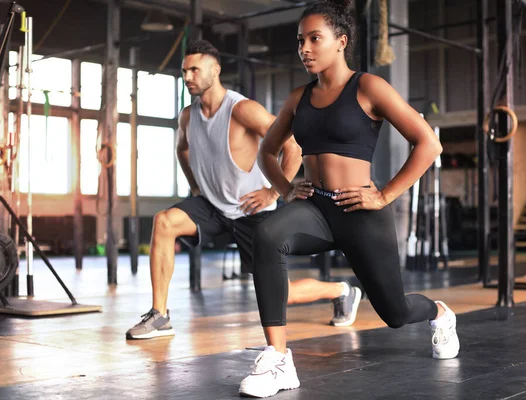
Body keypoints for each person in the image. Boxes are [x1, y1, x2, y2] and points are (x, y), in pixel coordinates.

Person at [238, 1, 460, 397]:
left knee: (395, 313)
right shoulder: (297, 98)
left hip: (360, 213)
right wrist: (287, 191)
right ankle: (279, 359)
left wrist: (386, 194)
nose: (304, 48)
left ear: (340, 42)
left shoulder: (369, 87)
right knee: (268, 235)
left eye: (314, 39)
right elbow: (267, 152)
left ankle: (440, 313)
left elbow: (428, 144)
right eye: (300, 40)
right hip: (316, 209)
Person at [126, 39, 362, 340]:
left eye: (195, 70)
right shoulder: (188, 115)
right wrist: (196, 186)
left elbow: (290, 146)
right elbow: (182, 149)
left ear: (215, 70)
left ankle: (342, 291)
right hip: (213, 206)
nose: (188, 77)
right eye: (185, 71)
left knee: (277, 291)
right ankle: (160, 315)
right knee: (164, 221)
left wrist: (274, 192)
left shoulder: (241, 110)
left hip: (253, 211)